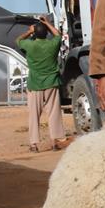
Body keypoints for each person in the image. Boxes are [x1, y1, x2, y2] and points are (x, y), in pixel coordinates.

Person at [16, 17, 72, 152]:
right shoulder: (52, 44)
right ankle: (54, 141)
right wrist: (47, 23)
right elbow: (58, 34)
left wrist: (29, 32)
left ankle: (34, 144)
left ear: (35, 33)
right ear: (47, 33)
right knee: (54, 113)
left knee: (34, 115)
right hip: (51, 83)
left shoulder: (30, 45)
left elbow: (18, 40)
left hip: (35, 85)